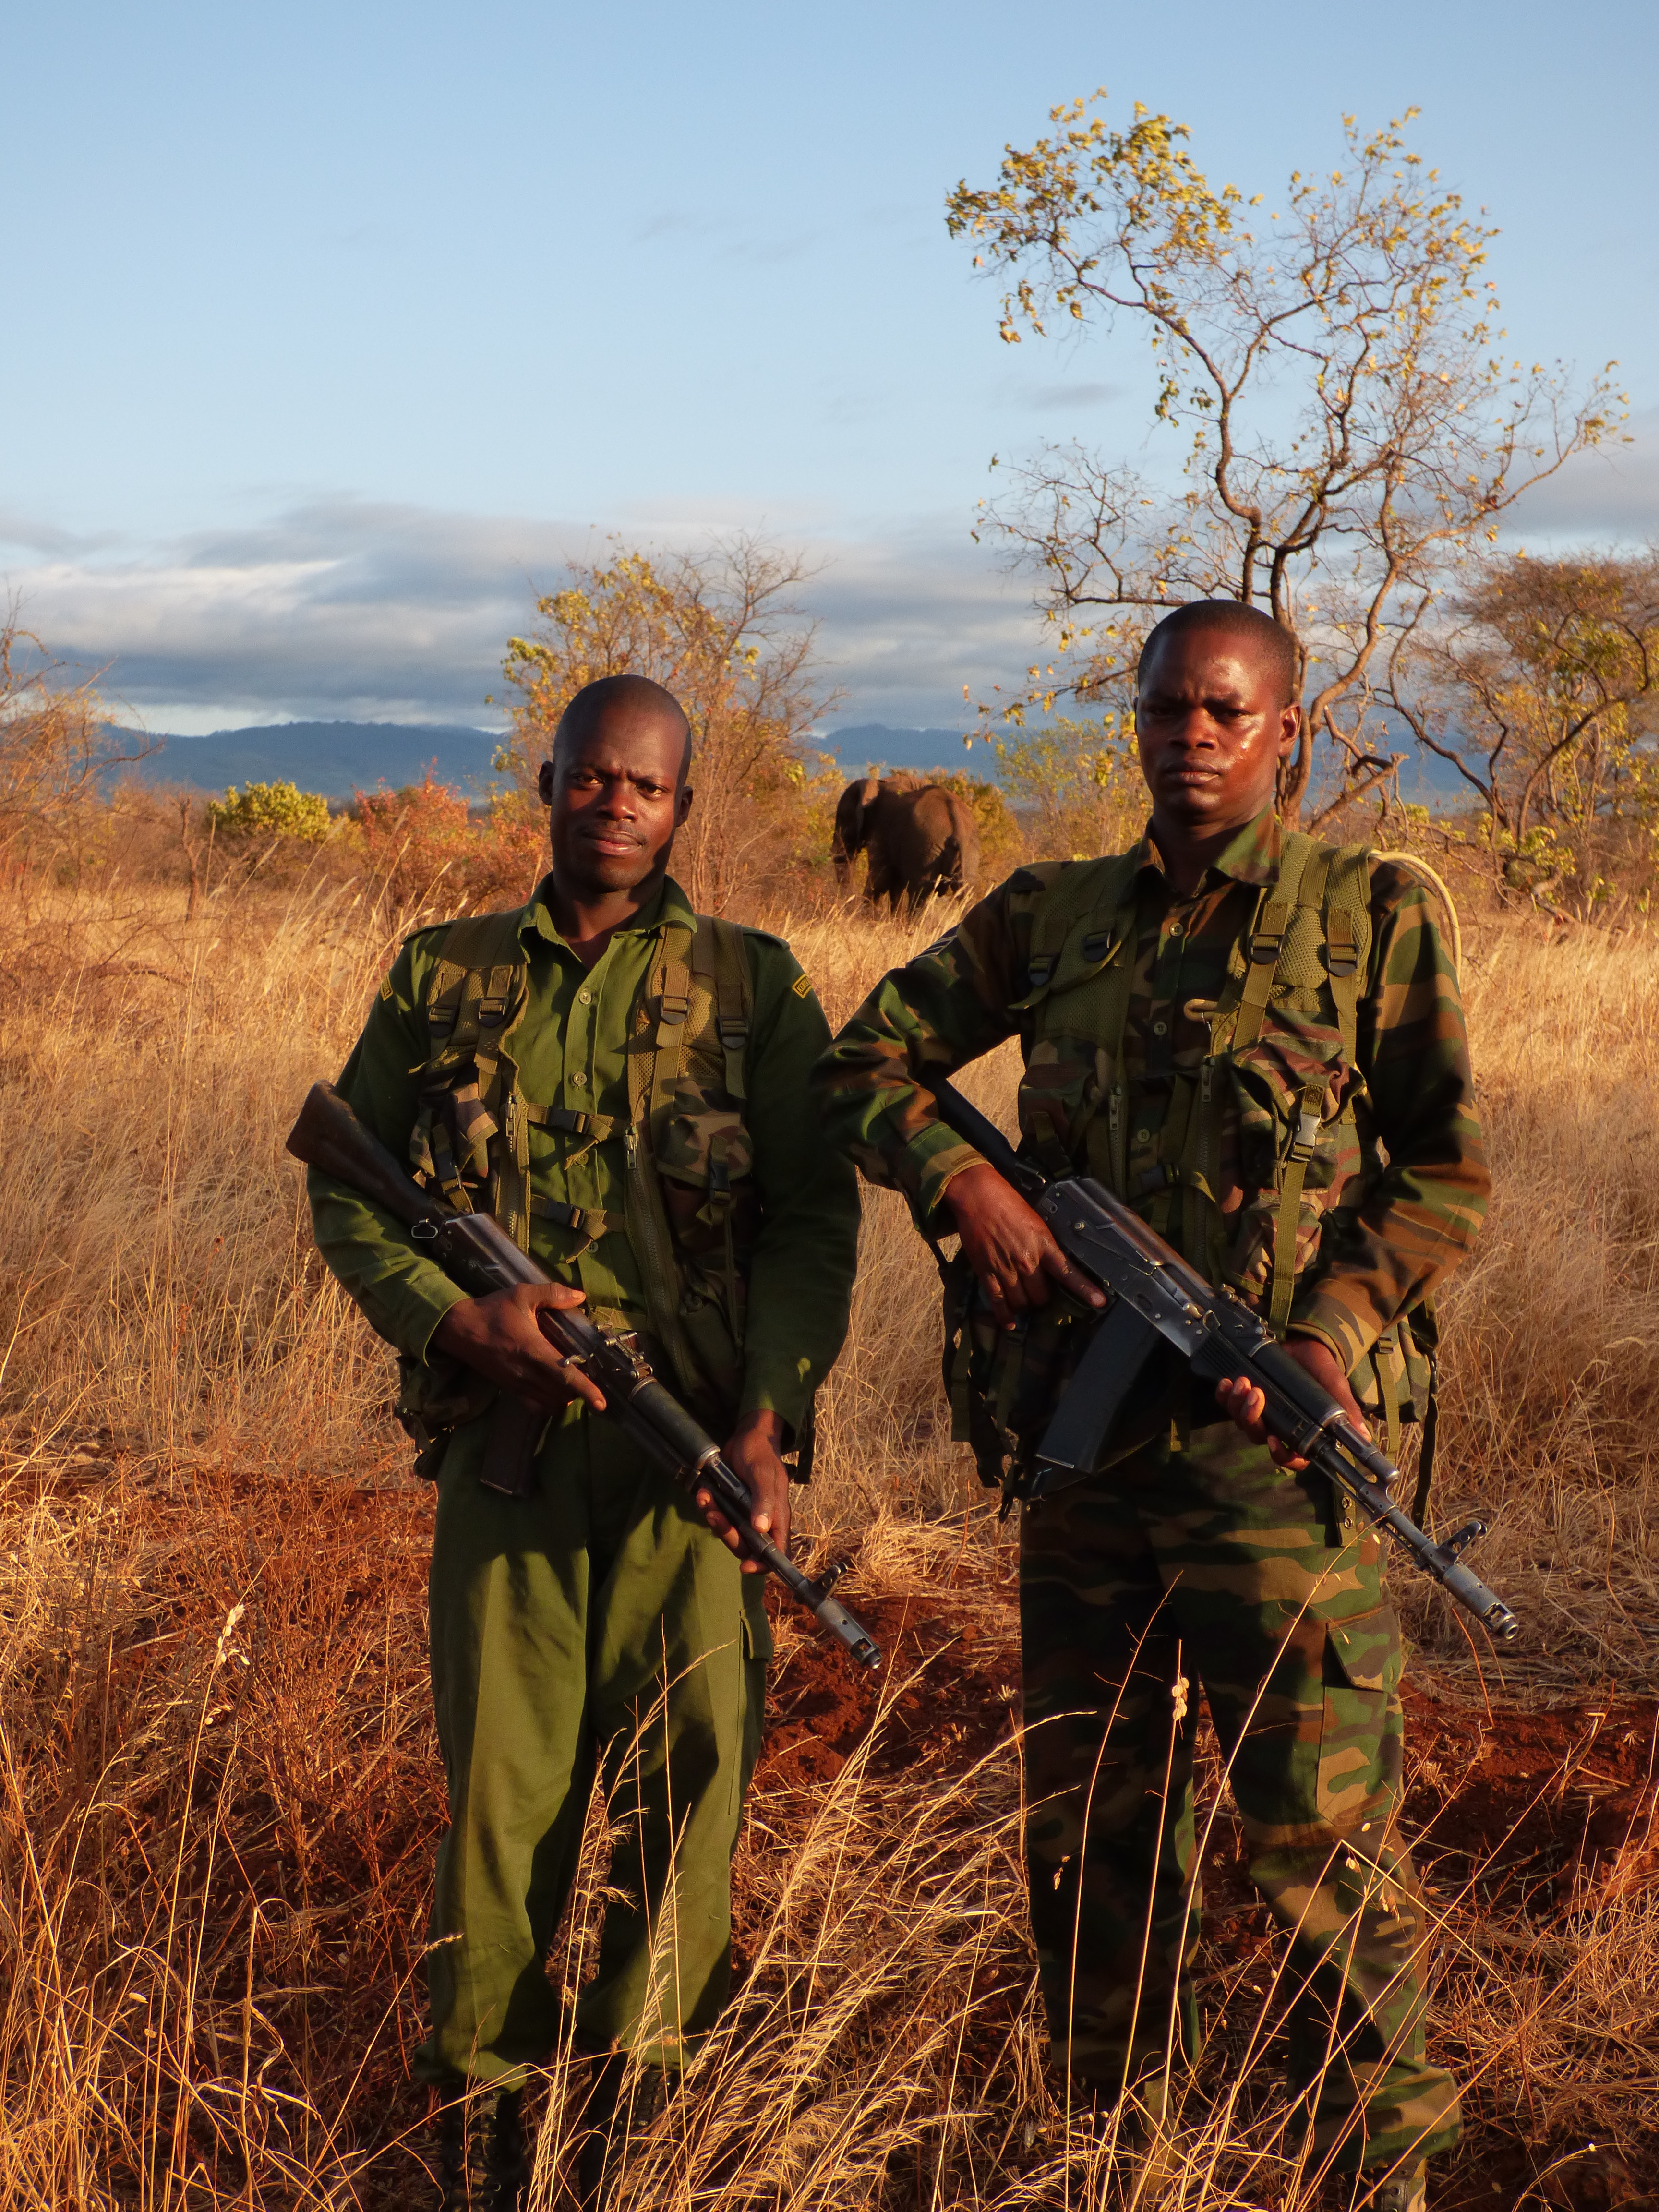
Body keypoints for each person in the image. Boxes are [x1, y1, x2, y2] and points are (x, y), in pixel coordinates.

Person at [810, 601, 1488, 2211]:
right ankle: (1115, 2155)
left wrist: (1324, 1334)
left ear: (1286, 730)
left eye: (1226, 711)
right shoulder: (1051, 918)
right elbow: (861, 1063)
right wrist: (966, 1182)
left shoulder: (1371, 915)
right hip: (1084, 1448)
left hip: (1269, 1464)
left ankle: (1384, 2172)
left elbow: (1445, 1169)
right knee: (1091, 1828)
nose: (1193, 735)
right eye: (1169, 707)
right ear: (1136, 720)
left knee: (1317, 1841)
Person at [307, 673, 859, 2209]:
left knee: (691, 1785)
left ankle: (637, 2121)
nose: (618, 803)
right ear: (548, 783)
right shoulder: (443, 974)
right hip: (514, 1456)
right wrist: (452, 1323)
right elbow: (348, 1180)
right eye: (593, 777)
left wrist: (767, 1429)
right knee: (504, 1798)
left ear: (683, 808)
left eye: (649, 786)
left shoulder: (756, 987)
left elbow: (813, 1220)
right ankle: (487, 2119)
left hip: (696, 1468)